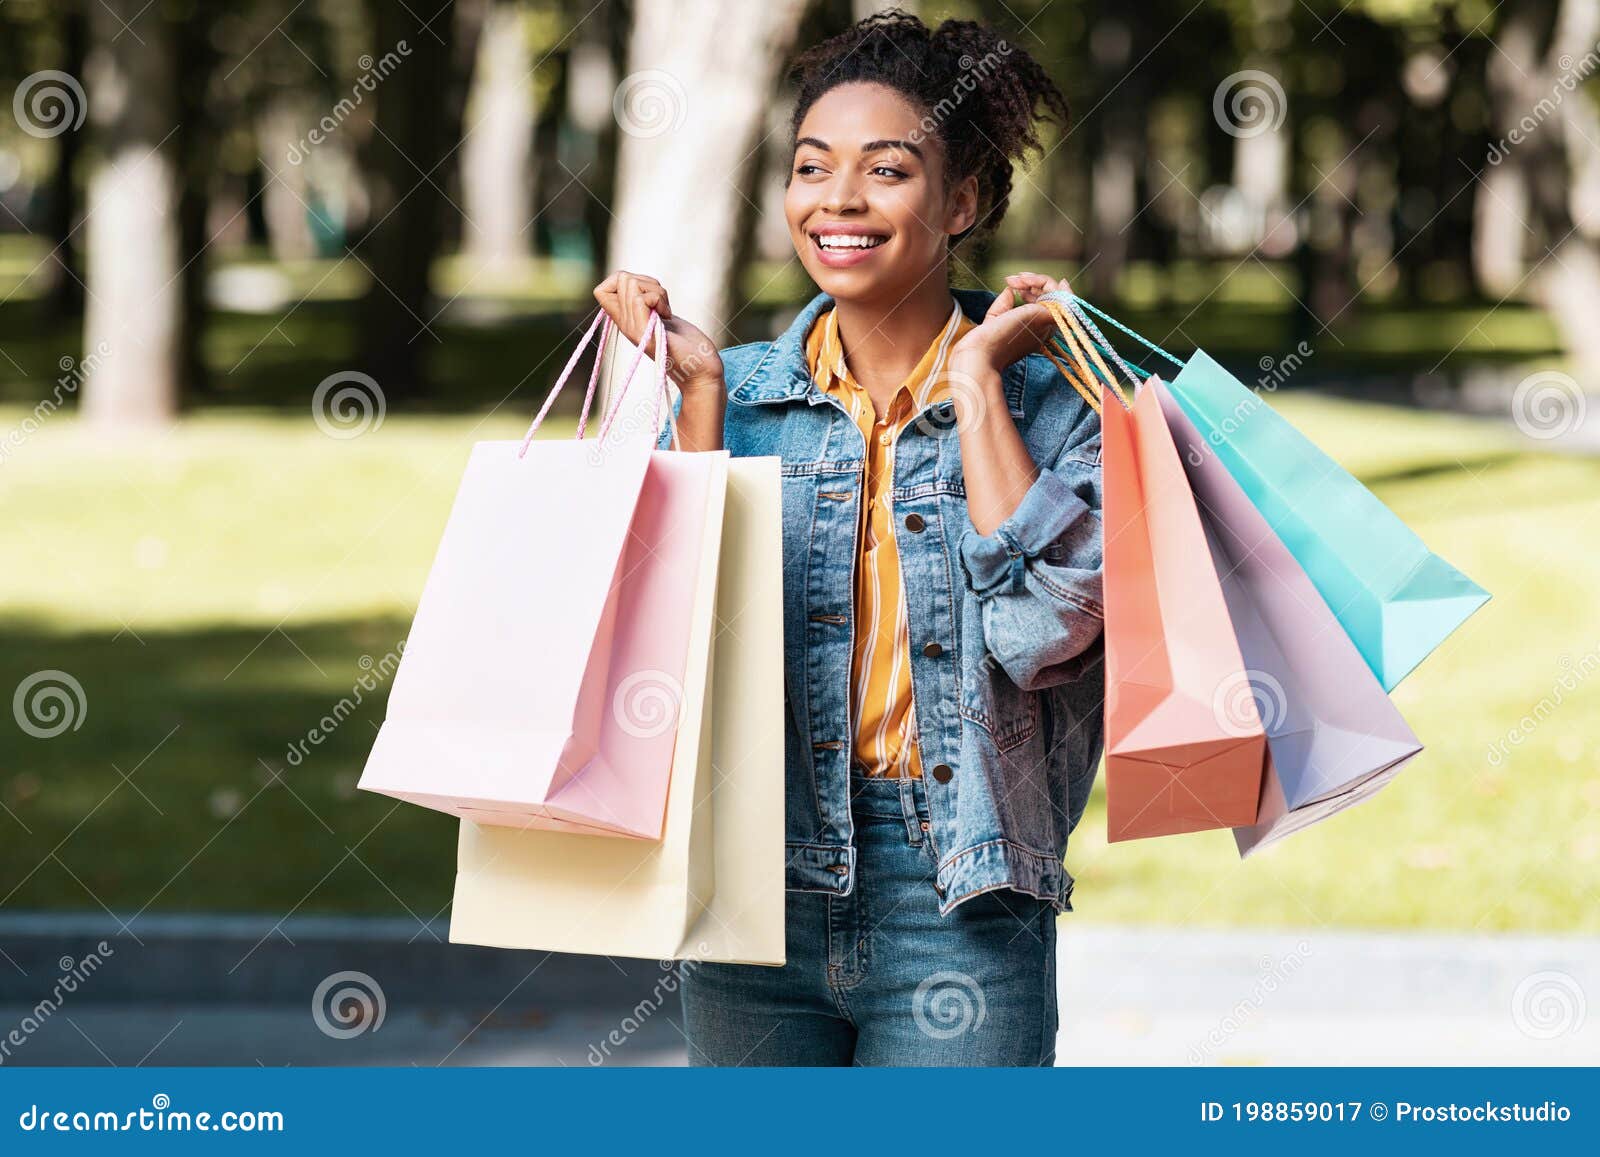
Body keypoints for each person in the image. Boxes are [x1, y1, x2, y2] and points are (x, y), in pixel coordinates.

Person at [591, 9, 1103, 1067]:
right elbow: (670, 641)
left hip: (957, 884)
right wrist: (695, 404)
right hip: (750, 874)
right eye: (812, 167)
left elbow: (1048, 635)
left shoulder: (1057, 408)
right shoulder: (734, 394)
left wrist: (975, 391)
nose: (839, 200)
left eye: (886, 170)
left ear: (963, 199)